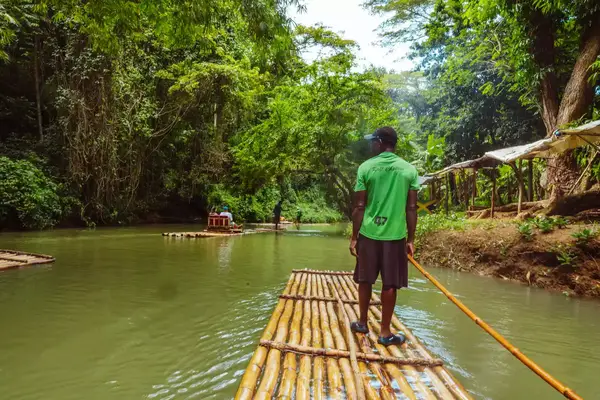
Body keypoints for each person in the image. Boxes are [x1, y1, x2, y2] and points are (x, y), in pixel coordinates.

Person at [349, 126, 419, 347]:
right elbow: (412, 208)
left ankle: (362, 322)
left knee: (365, 278)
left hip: (369, 234)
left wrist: (354, 237)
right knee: (390, 284)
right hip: (395, 236)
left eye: (373, 142)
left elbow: (360, 206)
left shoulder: (366, 168)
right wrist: (410, 239)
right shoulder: (408, 170)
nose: (371, 145)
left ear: (380, 142)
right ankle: (385, 333)